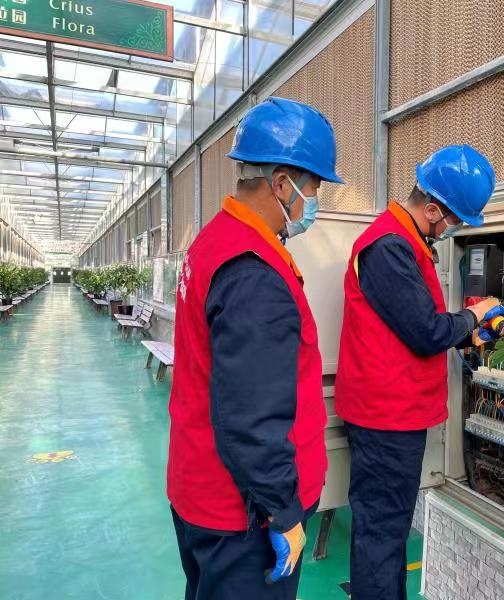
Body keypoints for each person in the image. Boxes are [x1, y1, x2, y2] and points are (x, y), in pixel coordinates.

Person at [167, 97, 343, 599]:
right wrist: (283, 511)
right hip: (241, 516)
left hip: (201, 489)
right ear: (282, 182)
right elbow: (251, 420)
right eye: (313, 187)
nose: (315, 200)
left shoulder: (215, 241)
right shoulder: (253, 273)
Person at [335, 144, 498, 600]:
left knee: (384, 531)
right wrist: (472, 317)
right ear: (431, 210)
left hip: (391, 414)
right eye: (456, 222)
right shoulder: (389, 247)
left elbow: (409, 323)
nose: (455, 231)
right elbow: (425, 330)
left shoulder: (403, 242)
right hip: (385, 419)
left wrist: (467, 332)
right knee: (382, 535)